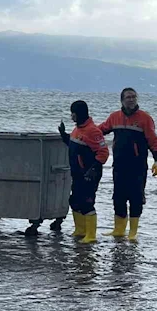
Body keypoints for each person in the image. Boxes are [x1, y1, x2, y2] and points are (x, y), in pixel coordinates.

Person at [98, 88, 157, 241]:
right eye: (128, 97)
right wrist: (81, 132)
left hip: (137, 166)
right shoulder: (114, 117)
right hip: (119, 164)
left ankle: (133, 232)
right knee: (118, 197)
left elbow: (153, 140)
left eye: (134, 97)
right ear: (122, 100)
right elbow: (99, 130)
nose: (131, 99)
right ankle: (119, 230)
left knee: (136, 197)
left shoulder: (145, 118)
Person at [58, 100, 109, 244]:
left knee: (87, 203)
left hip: (89, 174)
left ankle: (91, 235)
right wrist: (64, 135)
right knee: (74, 201)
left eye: (73, 113)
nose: (71, 116)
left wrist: (94, 168)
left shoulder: (93, 131)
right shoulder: (78, 129)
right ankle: (80, 230)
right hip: (77, 173)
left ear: (79, 114)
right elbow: (74, 144)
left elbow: (103, 152)